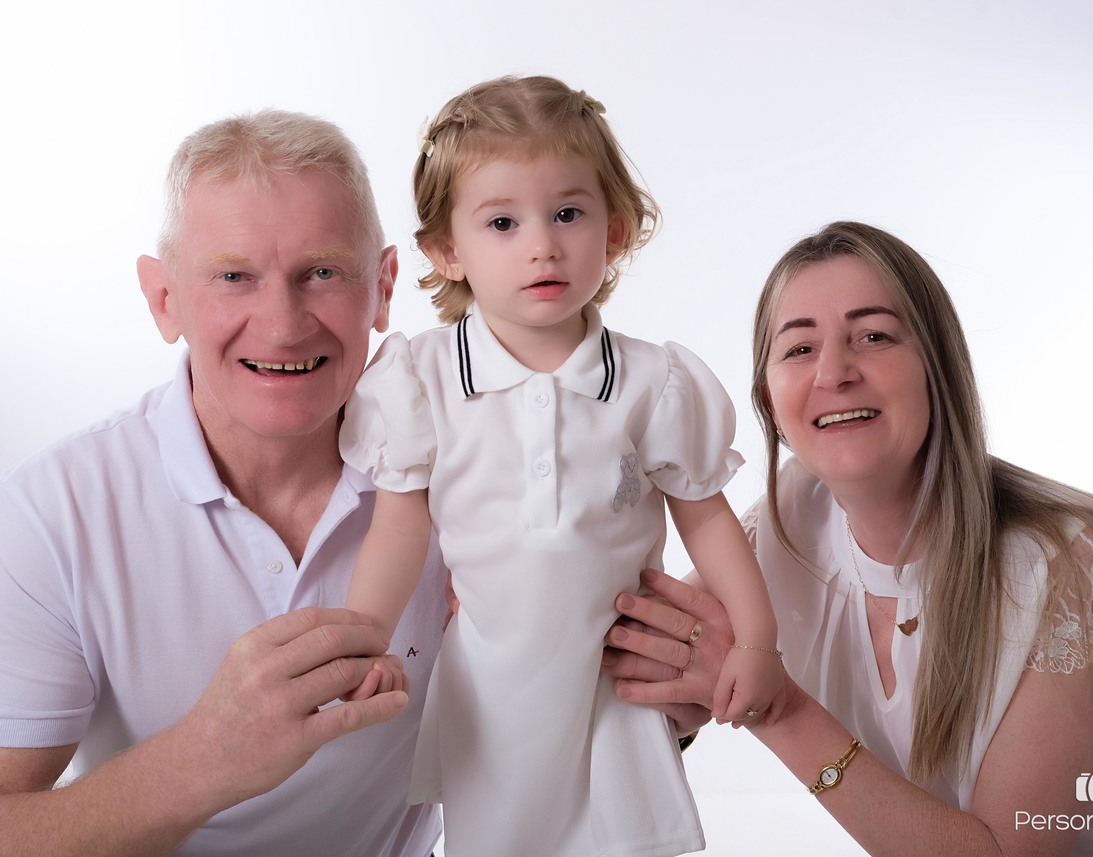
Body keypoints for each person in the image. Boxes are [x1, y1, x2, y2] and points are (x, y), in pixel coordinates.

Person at [602, 221, 1093, 856]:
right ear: (768, 400)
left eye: (874, 336)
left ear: (937, 368)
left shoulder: (1069, 558)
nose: (833, 372)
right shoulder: (789, 516)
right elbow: (640, 652)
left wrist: (775, 709)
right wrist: (681, 711)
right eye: (799, 348)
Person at [336, 74, 782, 857]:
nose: (541, 244)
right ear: (448, 250)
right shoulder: (424, 380)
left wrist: (757, 640)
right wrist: (364, 636)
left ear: (614, 228)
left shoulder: (651, 383)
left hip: (614, 679)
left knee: (624, 838)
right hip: (493, 684)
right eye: (503, 222)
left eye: (568, 214)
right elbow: (399, 529)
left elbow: (707, 519)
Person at [0, 110, 448, 856]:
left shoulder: (468, 471)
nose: (282, 325)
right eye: (234, 276)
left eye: (322, 272)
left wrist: (653, 686)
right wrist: (199, 761)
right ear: (164, 299)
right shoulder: (53, 512)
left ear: (384, 286)